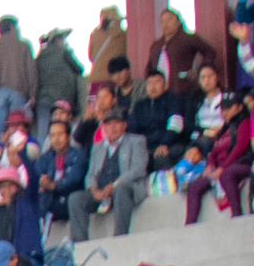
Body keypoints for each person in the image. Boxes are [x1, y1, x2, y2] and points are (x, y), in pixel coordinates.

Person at [69, 110, 148, 241]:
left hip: (127, 188)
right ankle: (80, 243)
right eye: (108, 124)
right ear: (103, 127)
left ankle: (120, 237)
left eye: (116, 123)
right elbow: (90, 174)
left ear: (124, 125)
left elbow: (138, 169)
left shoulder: (136, 141)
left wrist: (115, 185)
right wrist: (93, 190)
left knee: (121, 190)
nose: (112, 127)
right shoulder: (98, 147)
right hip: (102, 192)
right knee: (75, 199)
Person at [186, 93, 254, 223]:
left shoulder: (245, 123)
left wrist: (222, 168)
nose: (224, 112)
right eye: (222, 109)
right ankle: (189, 224)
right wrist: (210, 165)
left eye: (228, 108)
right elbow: (213, 151)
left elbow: (240, 149)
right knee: (195, 186)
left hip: (241, 164)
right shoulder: (225, 128)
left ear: (240, 107)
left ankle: (237, 215)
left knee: (227, 175)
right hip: (220, 167)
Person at [0, 16, 37, 142]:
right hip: (18, 91)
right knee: (17, 128)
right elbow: (31, 71)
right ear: (12, 27)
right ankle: (15, 159)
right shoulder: (24, 45)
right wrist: (33, 94)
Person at [144, 9, 215, 100]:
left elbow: (209, 52)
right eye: (162, 21)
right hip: (159, 93)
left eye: (169, 20)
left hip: (181, 89)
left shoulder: (188, 38)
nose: (166, 24)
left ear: (178, 22)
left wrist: (199, 70)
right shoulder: (156, 45)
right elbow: (149, 67)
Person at [128, 71, 187, 171]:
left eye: (157, 82)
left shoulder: (173, 100)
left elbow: (176, 125)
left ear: (165, 85)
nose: (153, 86)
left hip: (170, 144)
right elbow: (134, 130)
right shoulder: (140, 106)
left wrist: (165, 144)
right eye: (149, 83)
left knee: (161, 158)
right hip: (147, 146)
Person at [34, 121, 87, 223]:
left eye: (60, 134)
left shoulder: (79, 155)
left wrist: (53, 186)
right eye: (53, 135)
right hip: (49, 200)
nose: (56, 139)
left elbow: (73, 180)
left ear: (68, 136)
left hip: (68, 198)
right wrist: (42, 181)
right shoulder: (46, 158)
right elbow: (36, 175)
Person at [35, 29, 83, 119]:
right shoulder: (64, 52)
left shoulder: (40, 56)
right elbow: (79, 69)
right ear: (57, 40)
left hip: (43, 97)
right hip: (62, 97)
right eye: (62, 38)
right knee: (61, 125)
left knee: (43, 129)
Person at [88, 6, 128, 91]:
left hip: (95, 78)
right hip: (114, 79)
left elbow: (90, 57)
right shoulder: (122, 36)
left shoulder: (94, 34)